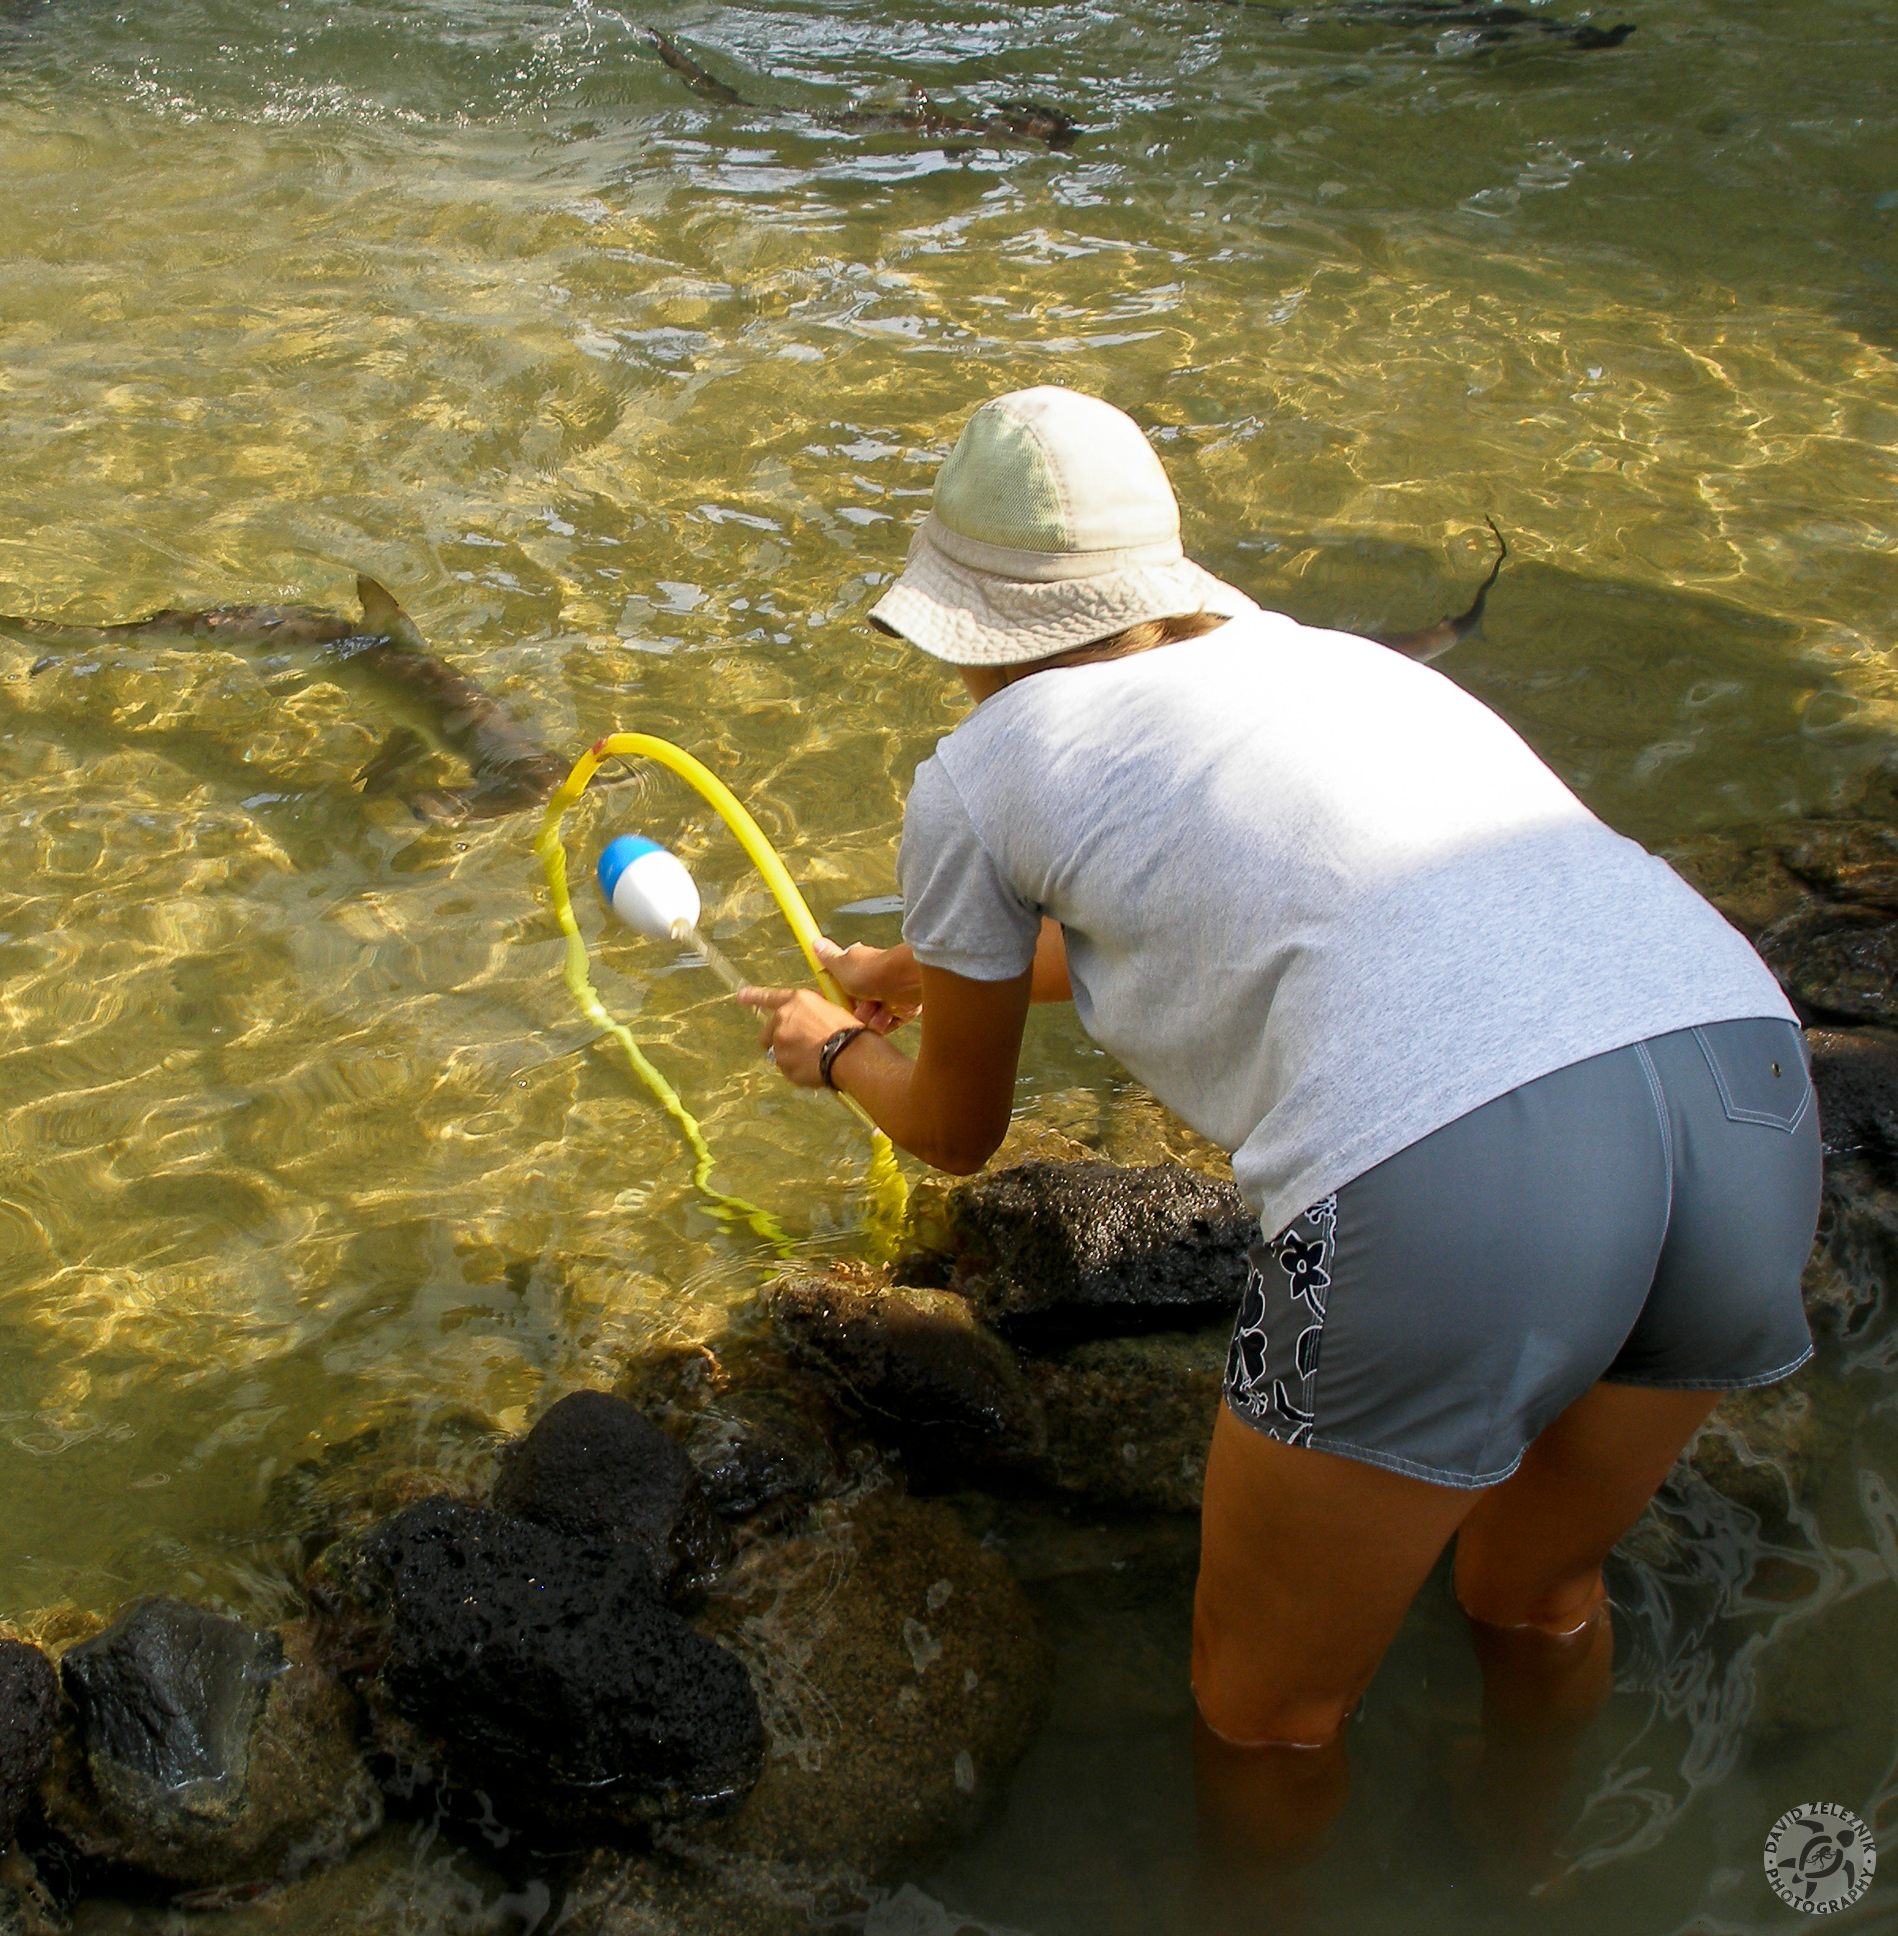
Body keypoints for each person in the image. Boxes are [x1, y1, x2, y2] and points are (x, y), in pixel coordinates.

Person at [736, 386, 1820, 1888]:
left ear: (960, 620)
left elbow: (955, 1129)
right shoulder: (1340, 669)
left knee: (1267, 1719)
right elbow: (1254, 918)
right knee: (1539, 1591)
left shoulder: (975, 775)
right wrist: (936, 966)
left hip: (1468, 1175)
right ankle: (1530, 1869)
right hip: (1741, 1082)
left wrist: (837, 1051)